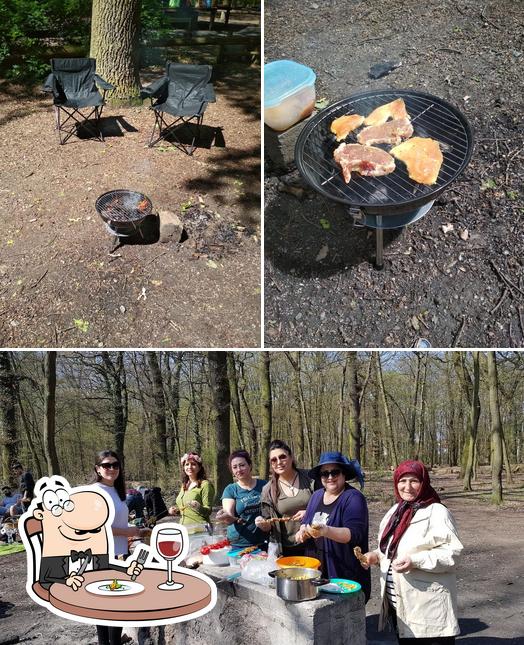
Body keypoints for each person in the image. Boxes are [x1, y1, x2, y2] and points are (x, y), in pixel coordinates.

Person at [361, 460, 463, 644]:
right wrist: (376, 556)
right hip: (399, 604)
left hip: (428, 608)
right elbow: (391, 548)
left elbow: (453, 554)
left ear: (423, 483)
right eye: (402, 480)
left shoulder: (437, 512)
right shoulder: (396, 511)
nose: (407, 487)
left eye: (414, 480)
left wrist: (416, 561)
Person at [91, 451, 150, 645]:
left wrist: (136, 531)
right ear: (97, 468)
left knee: (116, 603)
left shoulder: (117, 490)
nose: (112, 469)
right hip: (101, 554)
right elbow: (95, 527)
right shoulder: (95, 491)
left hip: (120, 552)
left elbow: (117, 521)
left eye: (115, 465)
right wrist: (128, 532)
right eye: (106, 465)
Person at [295, 451, 371, 601]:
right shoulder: (316, 495)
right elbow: (306, 521)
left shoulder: (353, 498)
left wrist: (326, 530)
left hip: (343, 572)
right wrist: (302, 530)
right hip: (317, 570)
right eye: (325, 474)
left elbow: (354, 534)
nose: (330, 477)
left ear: (344, 474)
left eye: (335, 472)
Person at [255, 440, 314, 557]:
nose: (278, 462)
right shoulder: (268, 490)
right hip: (287, 548)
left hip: (314, 542)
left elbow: (327, 504)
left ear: (291, 457)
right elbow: (269, 523)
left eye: (282, 457)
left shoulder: (310, 478)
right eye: (274, 460)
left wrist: (309, 512)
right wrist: (263, 524)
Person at [217, 450, 267, 550]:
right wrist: (225, 517)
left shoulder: (264, 485)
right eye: (234, 467)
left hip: (264, 540)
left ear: (250, 465)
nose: (239, 469)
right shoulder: (230, 489)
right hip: (239, 543)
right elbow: (229, 515)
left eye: (242, 465)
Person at [169, 452, 215, 527]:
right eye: (187, 464)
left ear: (199, 467)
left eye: (193, 464)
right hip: (184, 529)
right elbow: (186, 510)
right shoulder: (184, 485)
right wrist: (176, 511)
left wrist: (198, 507)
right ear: (184, 467)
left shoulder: (205, 485)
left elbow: (208, 511)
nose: (189, 467)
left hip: (200, 530)